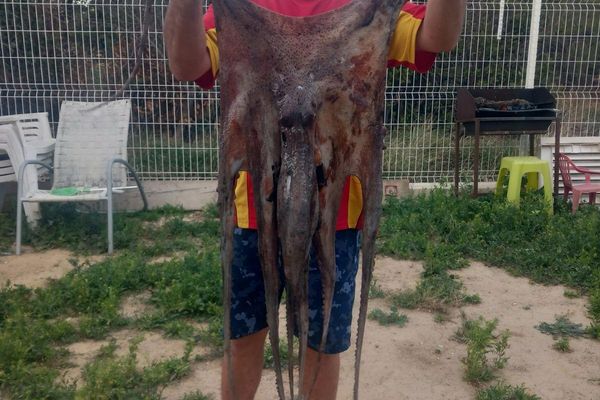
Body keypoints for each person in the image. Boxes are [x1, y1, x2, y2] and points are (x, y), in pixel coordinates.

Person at [164, 1, 466, 399]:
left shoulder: (366, 8)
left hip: (336, 216)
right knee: (243, 338)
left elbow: (437, 37)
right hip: (255, 213)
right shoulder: (242, 7)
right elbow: (188, 65)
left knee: (321, 345)